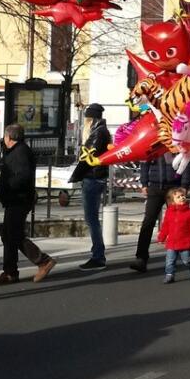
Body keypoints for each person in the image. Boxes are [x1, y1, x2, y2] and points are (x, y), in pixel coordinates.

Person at [0, 124, 55, 285]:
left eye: (5, 137)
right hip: (13, 199)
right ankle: (10, 272)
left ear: (9, 137)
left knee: (14, 235)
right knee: (8, 236)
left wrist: (8, 185)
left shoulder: (20, 152)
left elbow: (22, 176)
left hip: (19, 199)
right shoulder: (15, 151)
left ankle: (43, 260)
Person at [130, 148, 190, 274]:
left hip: (175, 186)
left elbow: (188, 158)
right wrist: (144, 183)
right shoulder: (153, 140)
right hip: (155, 186)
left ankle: (183, 254)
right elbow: (144, 159)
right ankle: (141, 258)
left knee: (179, 221)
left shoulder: (178, 137)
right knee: (148, 222)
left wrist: (185, 185)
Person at [70, 103, 112, 272]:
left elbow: (87, 156)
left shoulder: (98, 132)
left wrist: (76, 175)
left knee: (91, 219)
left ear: (91, 119)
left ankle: (98, 256)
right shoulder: (101, 131)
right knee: (92, 218)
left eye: (87, 118)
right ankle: (97, 255)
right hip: (95, 177)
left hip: (92, 178)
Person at [157, 187, 190, 283]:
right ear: (172, 201)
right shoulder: (169, 212)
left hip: (185, 241)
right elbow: (165, 226)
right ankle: (170, 275)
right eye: (178, 197)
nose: (182, 198)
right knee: (170, 260)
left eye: (183, 196)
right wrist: (161, 237)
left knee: (187, 260)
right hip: (172, 242)